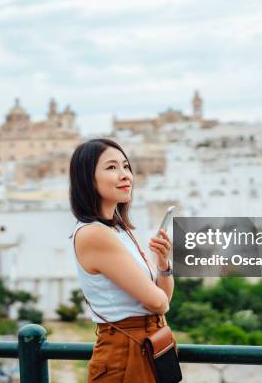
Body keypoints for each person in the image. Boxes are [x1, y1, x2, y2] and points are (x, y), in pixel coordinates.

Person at [69, 138, 175, 382]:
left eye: (126, 166)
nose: (125, 175)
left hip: (148, 346)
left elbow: (164, 299)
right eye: (111, 167)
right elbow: (157, 302)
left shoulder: (119, 231)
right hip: (125, 354)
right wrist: (157, 296)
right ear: (87, 179)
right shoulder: (94, 234)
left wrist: (163, 264)